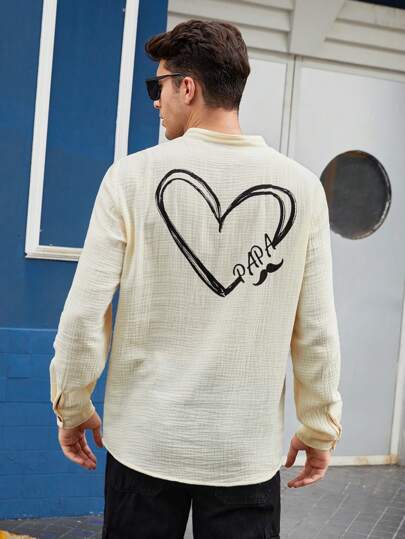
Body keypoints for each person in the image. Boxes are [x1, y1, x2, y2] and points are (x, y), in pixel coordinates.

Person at [49, 18, 343, 539]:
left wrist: (72, 405)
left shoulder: (130, 178)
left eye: (158, 85)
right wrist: (319, 426)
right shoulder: (302, 189)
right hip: (242, 454)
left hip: (144, 445)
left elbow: (84, 314)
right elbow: (316, 330)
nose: (155, 101)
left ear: (188, 87)